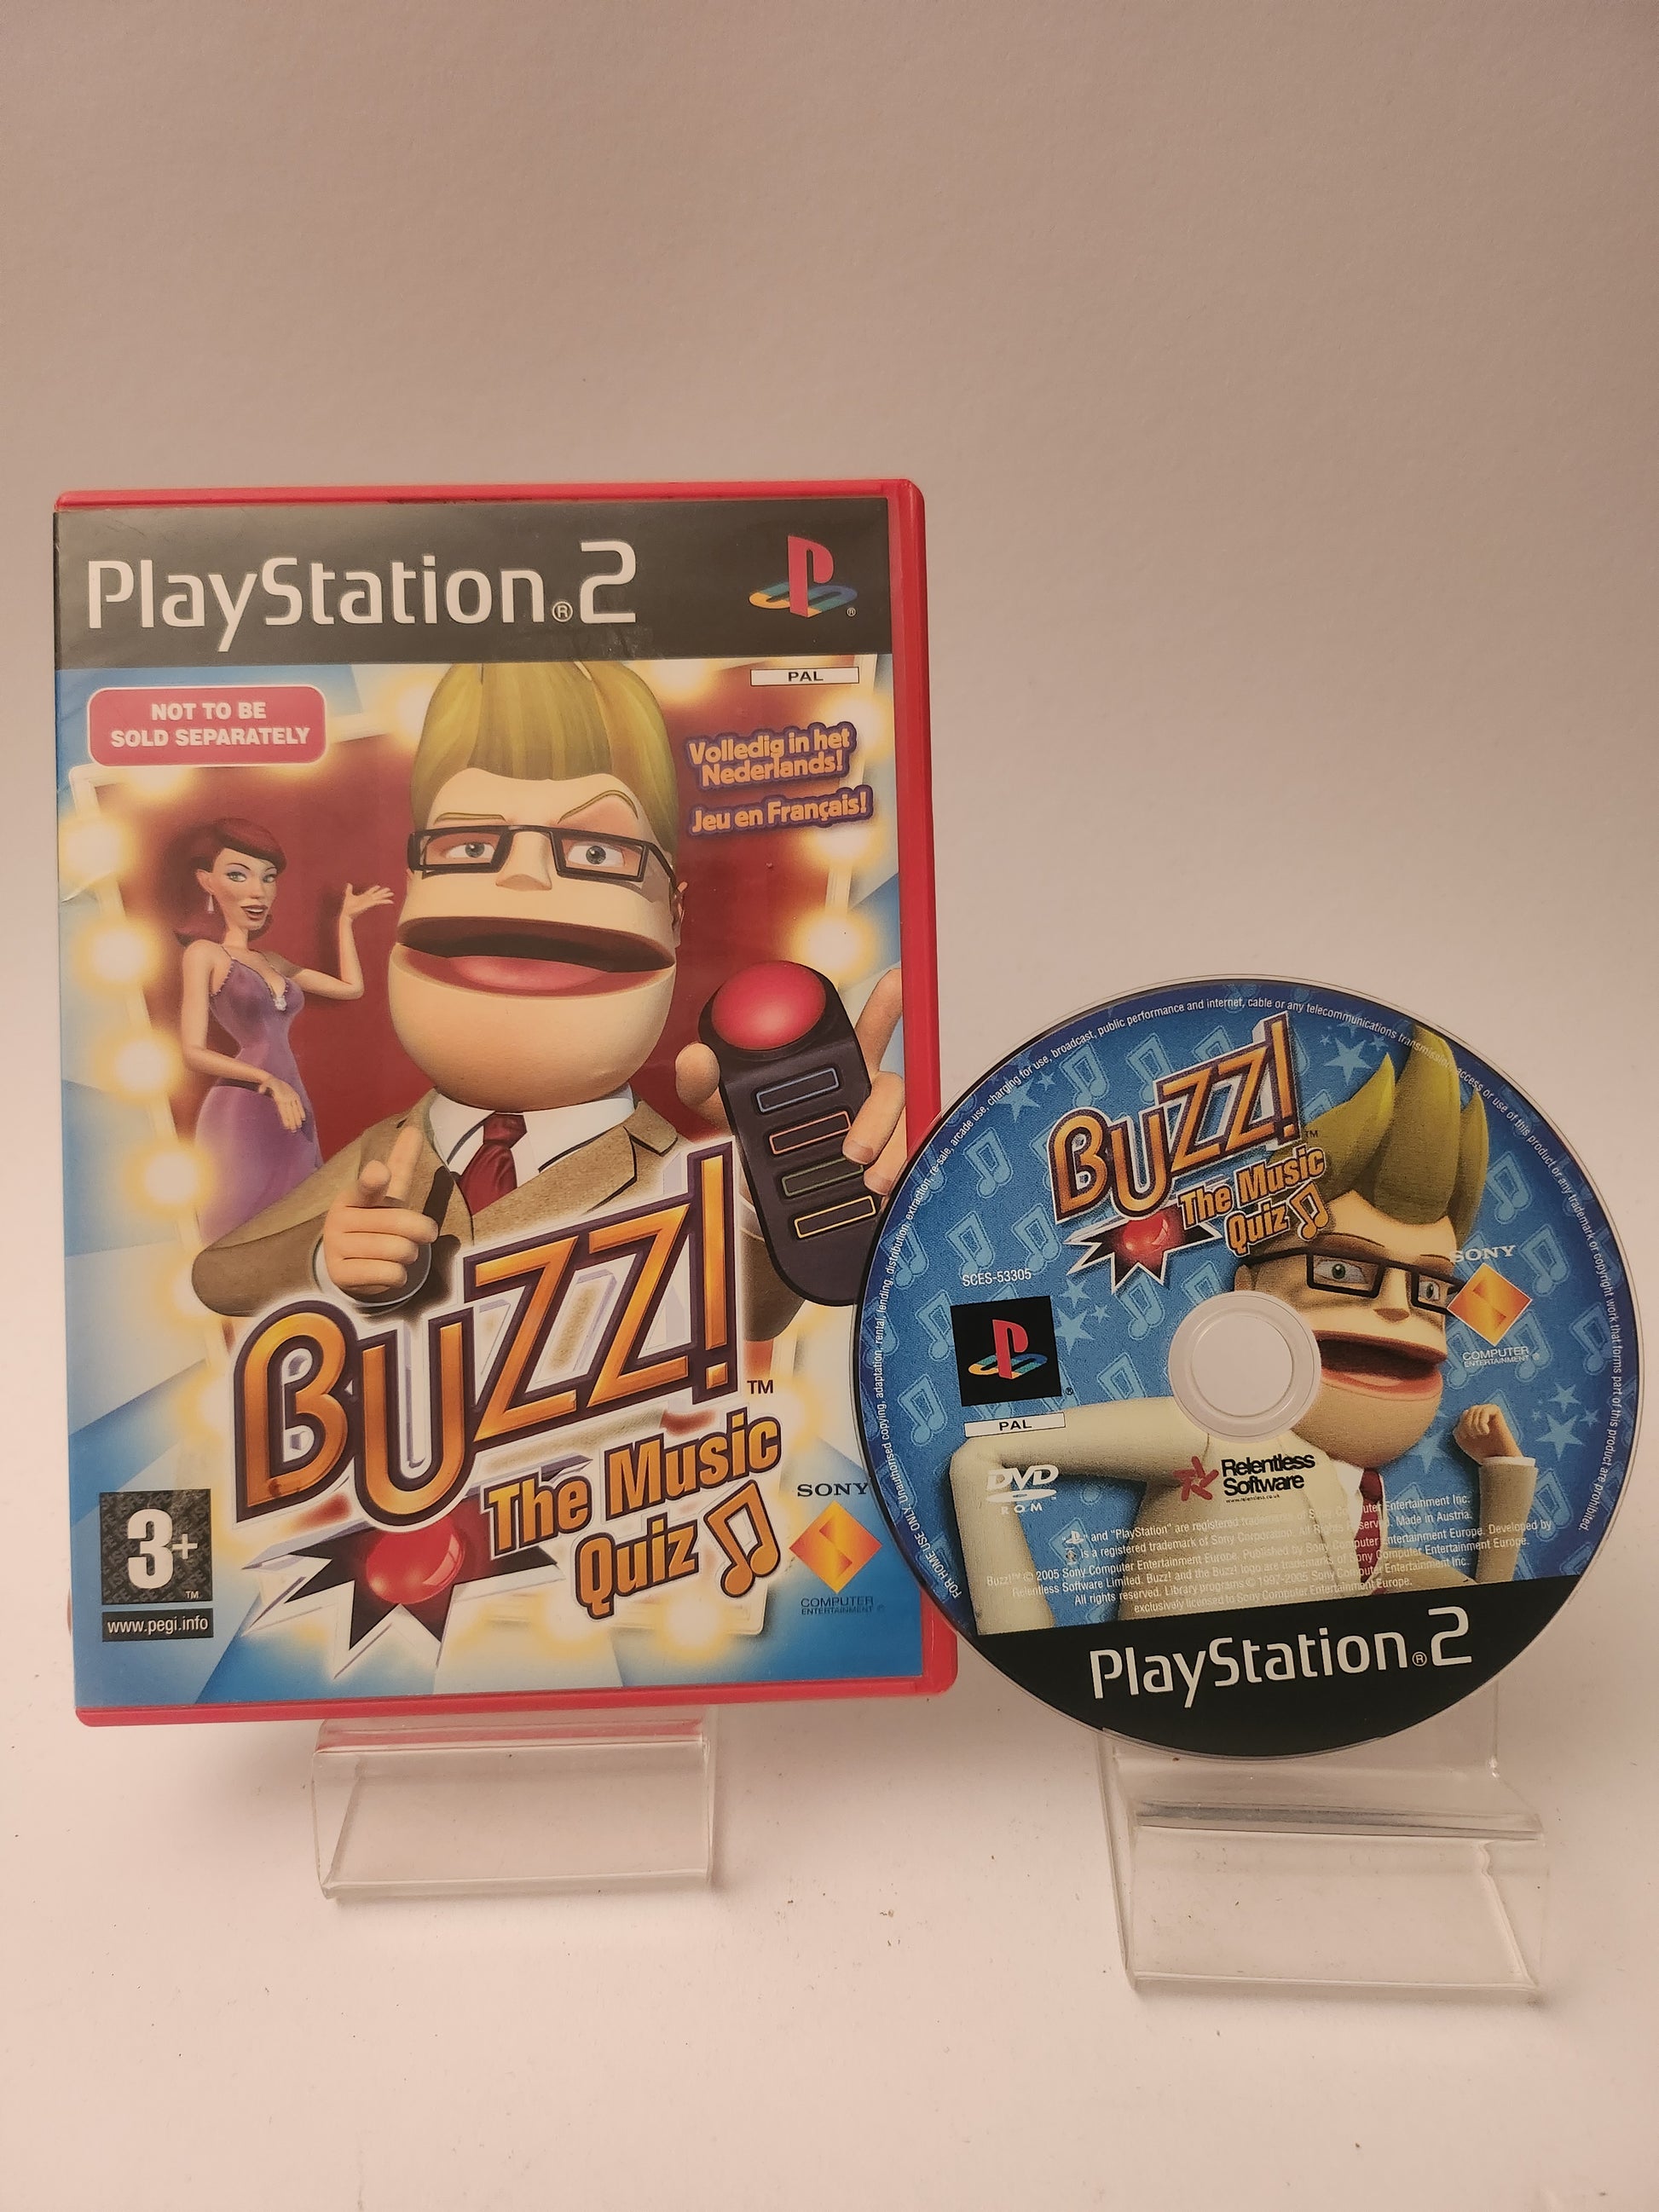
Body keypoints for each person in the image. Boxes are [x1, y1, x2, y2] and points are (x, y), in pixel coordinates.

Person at [189, 663, 905, 1333]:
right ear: (411, 887)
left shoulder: (671, 1172)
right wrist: (325, 1258)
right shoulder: (390, 1149)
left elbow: (749, 1311)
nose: (525, 878)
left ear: (673, 914)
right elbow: (218, 1273)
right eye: (471, 846)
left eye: (595, 853)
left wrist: (797, 1180)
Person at [950, 1027, 1538, 1629]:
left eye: (1431, 1288)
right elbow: (985, 1455)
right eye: (1341, 1270)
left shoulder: (1363, 1514)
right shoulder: (1209, 1438)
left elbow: (1482, 1624)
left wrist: (1502, 1469)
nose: (1395, 1307)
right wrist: (1037, 1654)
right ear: (1250, 1294)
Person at [179, 817, 391, 1241]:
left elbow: (351, 989)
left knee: (299, 1207)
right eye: (237, 875)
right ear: (207, 881)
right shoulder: (204, 954)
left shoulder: (273, 961)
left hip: (292, 1096)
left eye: (268, 877)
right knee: (243, 1215)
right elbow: (192, 1051)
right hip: (244, 1103)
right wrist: (269, 1081)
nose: (257, 891)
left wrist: (345, 921)